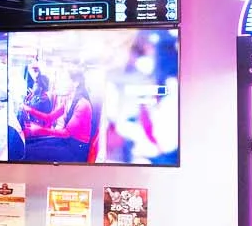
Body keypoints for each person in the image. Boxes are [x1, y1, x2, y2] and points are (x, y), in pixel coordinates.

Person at [97, 31, 180, 164]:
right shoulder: (132, 133)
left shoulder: (122, 126)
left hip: (155, 84)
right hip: (162, 84)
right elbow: (165, 106)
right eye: (109, 145)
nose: (107, 139)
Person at [23, 67, 94, 162]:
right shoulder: (68, 100)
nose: (58, 84)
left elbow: (66, 133)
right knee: (30, 142)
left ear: (75, 83)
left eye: (64, 80)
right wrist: (30, 110)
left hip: (75, 149)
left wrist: (38, 130)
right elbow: (49, 118)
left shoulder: (83, 104)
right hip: (66, 142)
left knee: (29, 151)